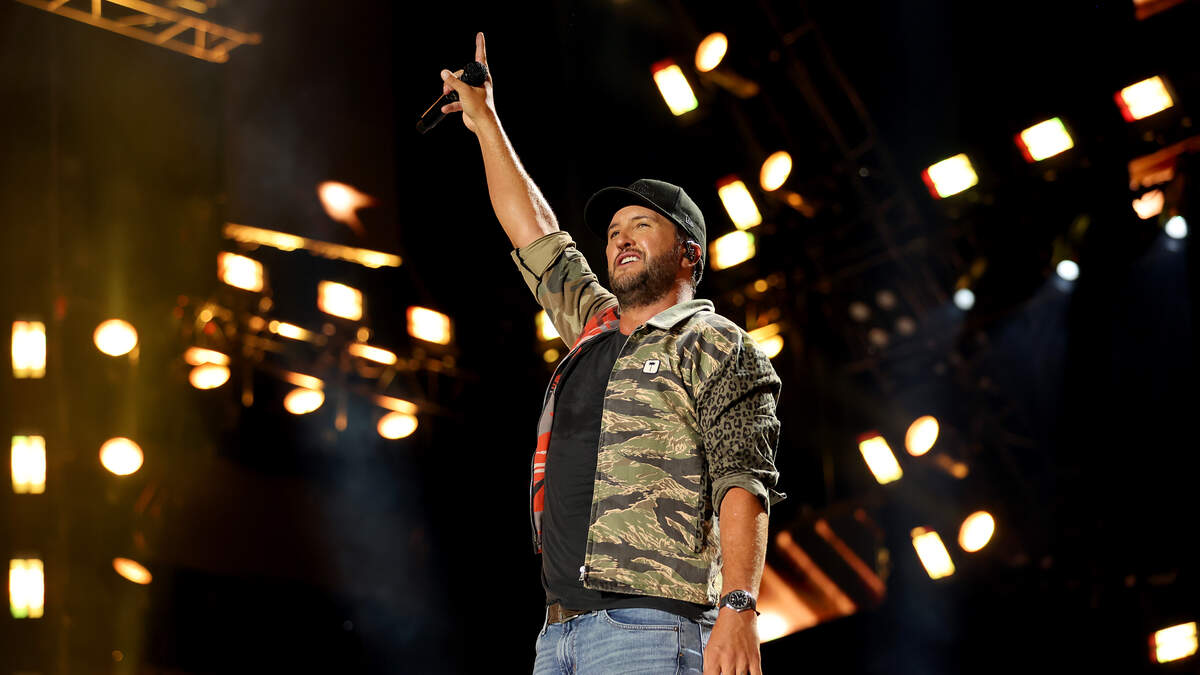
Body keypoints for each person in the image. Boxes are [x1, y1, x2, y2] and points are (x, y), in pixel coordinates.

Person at [439, 33, 783, 675]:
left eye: (641, 226)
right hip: (557, 636)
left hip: (653, 627)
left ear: (689, 254)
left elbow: (745, 481)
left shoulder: (715, 343)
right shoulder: (593, 328)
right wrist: (485, 122)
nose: (620, 239)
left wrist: (739, 608)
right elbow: (536, 232)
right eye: (614, 231)